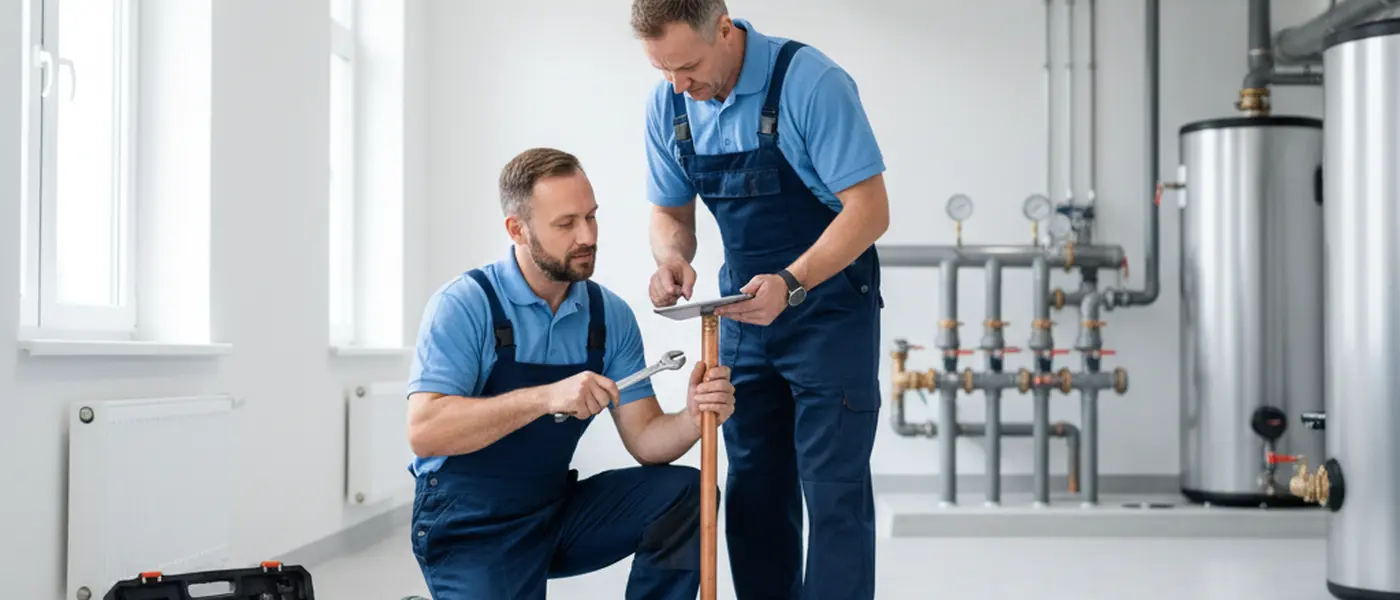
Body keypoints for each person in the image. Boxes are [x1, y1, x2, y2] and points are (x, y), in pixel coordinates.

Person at [632, 1, 890, 598]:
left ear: (724, 29)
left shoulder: (811, 83)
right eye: (662, 70)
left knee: (833, 492)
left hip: (829, 311)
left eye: (688, 67)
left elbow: (870, 210)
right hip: (743, 316)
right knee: (754, 489)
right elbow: (669, 212)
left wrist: (793, 282)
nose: (679, 85)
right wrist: (671, 257)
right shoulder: (669, 103)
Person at [405, 147, 736, 600]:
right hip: (468, 525)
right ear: (517, 229)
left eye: (591, 217)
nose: (587, 236)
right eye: (566, 224)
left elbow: (646, 440)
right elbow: (425, 432)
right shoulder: (465, 304)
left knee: (686, 494)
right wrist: (546, 397)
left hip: (551, 509)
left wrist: (692, 417)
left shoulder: (608, 316)